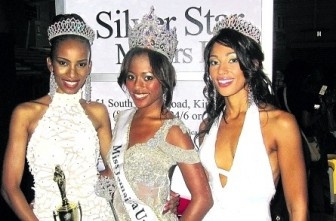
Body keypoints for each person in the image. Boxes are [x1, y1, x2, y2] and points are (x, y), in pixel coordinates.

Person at [1, 13, 115, 220]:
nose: (73, 74)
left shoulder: (98, 112)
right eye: (63, 62)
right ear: (50, 64)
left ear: (89, 67)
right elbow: (9, 187)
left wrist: (89, 185)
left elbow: (116, 170)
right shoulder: (25, 113)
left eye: (81, 64)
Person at [197, 14, 308, 220]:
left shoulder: (279, 124)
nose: (222, 70)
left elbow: (297, 208)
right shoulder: (207, 126)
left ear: (253, 64)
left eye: (233, 59)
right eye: (214, 62)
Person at [108, 7, 213, 221]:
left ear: (163, 80)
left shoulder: (172, 129)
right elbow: (114, 176)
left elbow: (203, 198)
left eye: (148, 77)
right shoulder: (123, 118)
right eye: (131, 76)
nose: (137, 86)